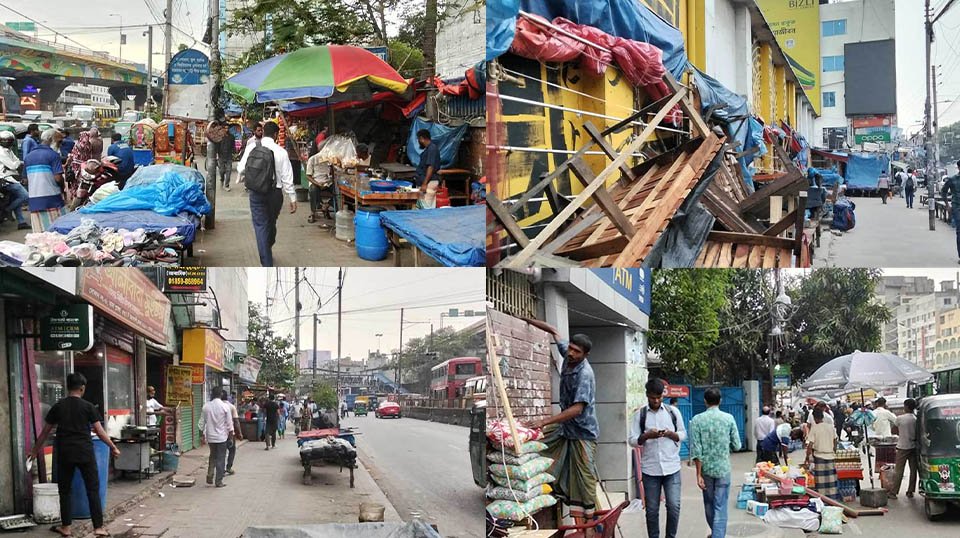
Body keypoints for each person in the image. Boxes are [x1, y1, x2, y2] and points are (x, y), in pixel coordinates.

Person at [525, 320, 599, 532]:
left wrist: (544, 421)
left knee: (585, 478)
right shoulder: (567, 352)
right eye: (572, 349)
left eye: (577, 352)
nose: (571, 354)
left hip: (583, 433)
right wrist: (527, 320)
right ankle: (548, 489)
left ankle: (589, 524)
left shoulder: (585, 375)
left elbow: (577, 409)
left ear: (585, 355)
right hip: (565, 429)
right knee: (539, 445)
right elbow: (554, 331)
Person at [28, 373, 120, 538]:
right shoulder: (88, 406)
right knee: (92, 489)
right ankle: (98, 527)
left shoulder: (58, 406)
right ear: (82, 388)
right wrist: (113, 447)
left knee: (65, 491)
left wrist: (34, 451)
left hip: (65, 454)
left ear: (67, 387)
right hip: (85, 453)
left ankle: (66, 527)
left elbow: (44, 432)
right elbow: (99, 432)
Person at [629, 378, 686, 538]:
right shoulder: (639, 415)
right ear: (647, 395)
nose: (656, 400)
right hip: (650, 470)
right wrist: (646, 436)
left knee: (674, 506)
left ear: (663, 395)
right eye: (653, 397)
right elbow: (632, 440)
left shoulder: (673, 412)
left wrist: (670, 433)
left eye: (659, 397)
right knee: (652, 510)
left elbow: (683, 434)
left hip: (672, 468)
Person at [237, 121, 297, 267]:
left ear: (263, 132)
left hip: (256, 192)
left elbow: (241, 168)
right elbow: (287, 177)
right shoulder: (281, 152)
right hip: (275, 194)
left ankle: (266, 258)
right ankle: (267, 251)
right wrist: (293, 197)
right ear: (276, 135)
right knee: (271, 222)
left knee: (260, 225)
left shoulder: (252, 147)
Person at [689, 387, 741, 538]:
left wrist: (698, 474)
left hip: (706, 471)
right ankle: (718, 535)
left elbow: (696, 450)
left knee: (709, 504)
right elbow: (737, 445)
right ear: (721, 401)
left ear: (705, 401)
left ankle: (715, 533)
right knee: (720, 506)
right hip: (723, 469)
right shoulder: (729, 418)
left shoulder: (697, 420)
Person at [25, 129, 67, 233]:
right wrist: (63, 189)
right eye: (59, 141)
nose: (60, 145)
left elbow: (25, 180)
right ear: (50, 139)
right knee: (57, 233)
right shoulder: (53, 155)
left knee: (39, 235)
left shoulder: (28, 157)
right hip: (52, 200)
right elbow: (58, 178)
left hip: (34, 201)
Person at [199, 389, 234, 487]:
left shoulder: (206, 406)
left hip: (210, 437)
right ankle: (218, 481)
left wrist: (201, 436)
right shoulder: (225, 407)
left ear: (211, 394)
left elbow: (201, 423)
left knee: (212, 456)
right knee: (221, 458)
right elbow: (230, 424)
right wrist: (231, 438)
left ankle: (210, 475)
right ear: (220, 394)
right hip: (222, 437)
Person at [805, 408, 839, 500]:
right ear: (823, 417)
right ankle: (833, 500)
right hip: (830, 456)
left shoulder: (814, 428)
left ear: (814, 418)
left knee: (821, 484)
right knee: (831, 483)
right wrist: (834, 450)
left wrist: (807, 457)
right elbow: (835, 440)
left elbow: (810, 445)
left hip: (819, 457)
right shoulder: (831, 427)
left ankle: (822, 501)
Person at [889, 398, 918, 499]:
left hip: (902, 447)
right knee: (913, 470)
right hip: (914, 447)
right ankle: (910, 491)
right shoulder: (915, 418)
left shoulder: (900, 418)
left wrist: (901, 433)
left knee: (899, 470)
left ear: (906, 406)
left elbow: (893, 430)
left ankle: (893, 492)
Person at [0, 131, 29, 230]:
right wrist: (16, 163)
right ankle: (7, 210)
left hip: (12, 177)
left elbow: (17, 161)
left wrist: (16, 163)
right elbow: (13, 165)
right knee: (25, 196)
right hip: (5, 179)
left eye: (8, 140)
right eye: (5, 140)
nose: (7, 142)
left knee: (16, 199)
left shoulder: (9, 150)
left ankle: (21, 222)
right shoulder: (1, 152)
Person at [305, 145, 335, 222]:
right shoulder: (312, 159)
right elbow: (308, 176)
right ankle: (313, 212)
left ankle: (327, 205)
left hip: (327, 182)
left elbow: (332, 173)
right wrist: (318, 184)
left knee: (338, 191)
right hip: (316, 182)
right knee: (313, 190)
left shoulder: (329, 160)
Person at [205, 116, 235, 191]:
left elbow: (233, 146)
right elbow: (216, 146)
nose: (226, 129)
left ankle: (226, 185)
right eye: (225, 128)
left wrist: (233, 153)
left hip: (229, 156)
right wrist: (217, 154)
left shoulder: (232, 137)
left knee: (229, 171)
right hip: (221, 156)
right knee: (222, 171)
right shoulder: (219, 136)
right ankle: (222, 179)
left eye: (227, 128)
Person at [414, 129, 442, 209]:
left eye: (418, 139)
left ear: (422, 138)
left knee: (426, 208)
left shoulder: (432, 149)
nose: (418, 141)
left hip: (429, 183)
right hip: (427, 182)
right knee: (422, 207)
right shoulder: (429, 149)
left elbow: (430, 167)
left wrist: (425, 184)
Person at [940, 163, 960, 262]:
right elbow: (943, 191)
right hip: (957, 208)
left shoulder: (952, 179)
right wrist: (947, 205)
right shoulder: (952, 179)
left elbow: (943, 192)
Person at [224, 391, 242, 475]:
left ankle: (221, 469)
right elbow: (236, 421)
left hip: (218, 434)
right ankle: (228, 467)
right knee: (232, 450)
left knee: (221, 452)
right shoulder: (231, 407)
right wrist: (239, 433)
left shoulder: (214, 406)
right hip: (230, 433)